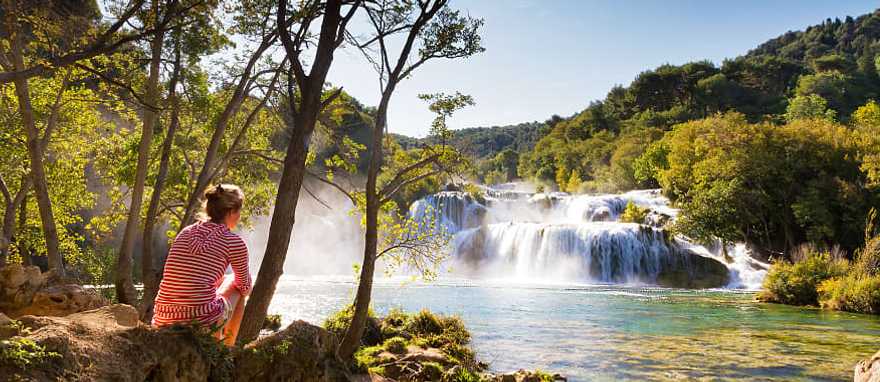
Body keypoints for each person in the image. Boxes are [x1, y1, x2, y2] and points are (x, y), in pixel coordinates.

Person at [152, 184, 252, 346]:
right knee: (237, 285)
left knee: (216, 280)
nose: (239, 216)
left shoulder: (185, 232)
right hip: (198, 320)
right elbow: (245, 287)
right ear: (231, 211)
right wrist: (231, 282)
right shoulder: (234, 242)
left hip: (163, 317)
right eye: (239, 211)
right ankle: (226, 350)